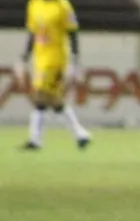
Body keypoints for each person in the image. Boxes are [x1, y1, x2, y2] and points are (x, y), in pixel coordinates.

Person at [17, 0, 90, 150]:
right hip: (40, 59)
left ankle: (35, 140)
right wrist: (26, 56)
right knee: (54, 101)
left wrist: (75, 58)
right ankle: (80, 134)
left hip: (56, 59)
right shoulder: (34, 4)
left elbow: (72, 32)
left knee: (40, 96)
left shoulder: (62, 6)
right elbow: (33, 32)